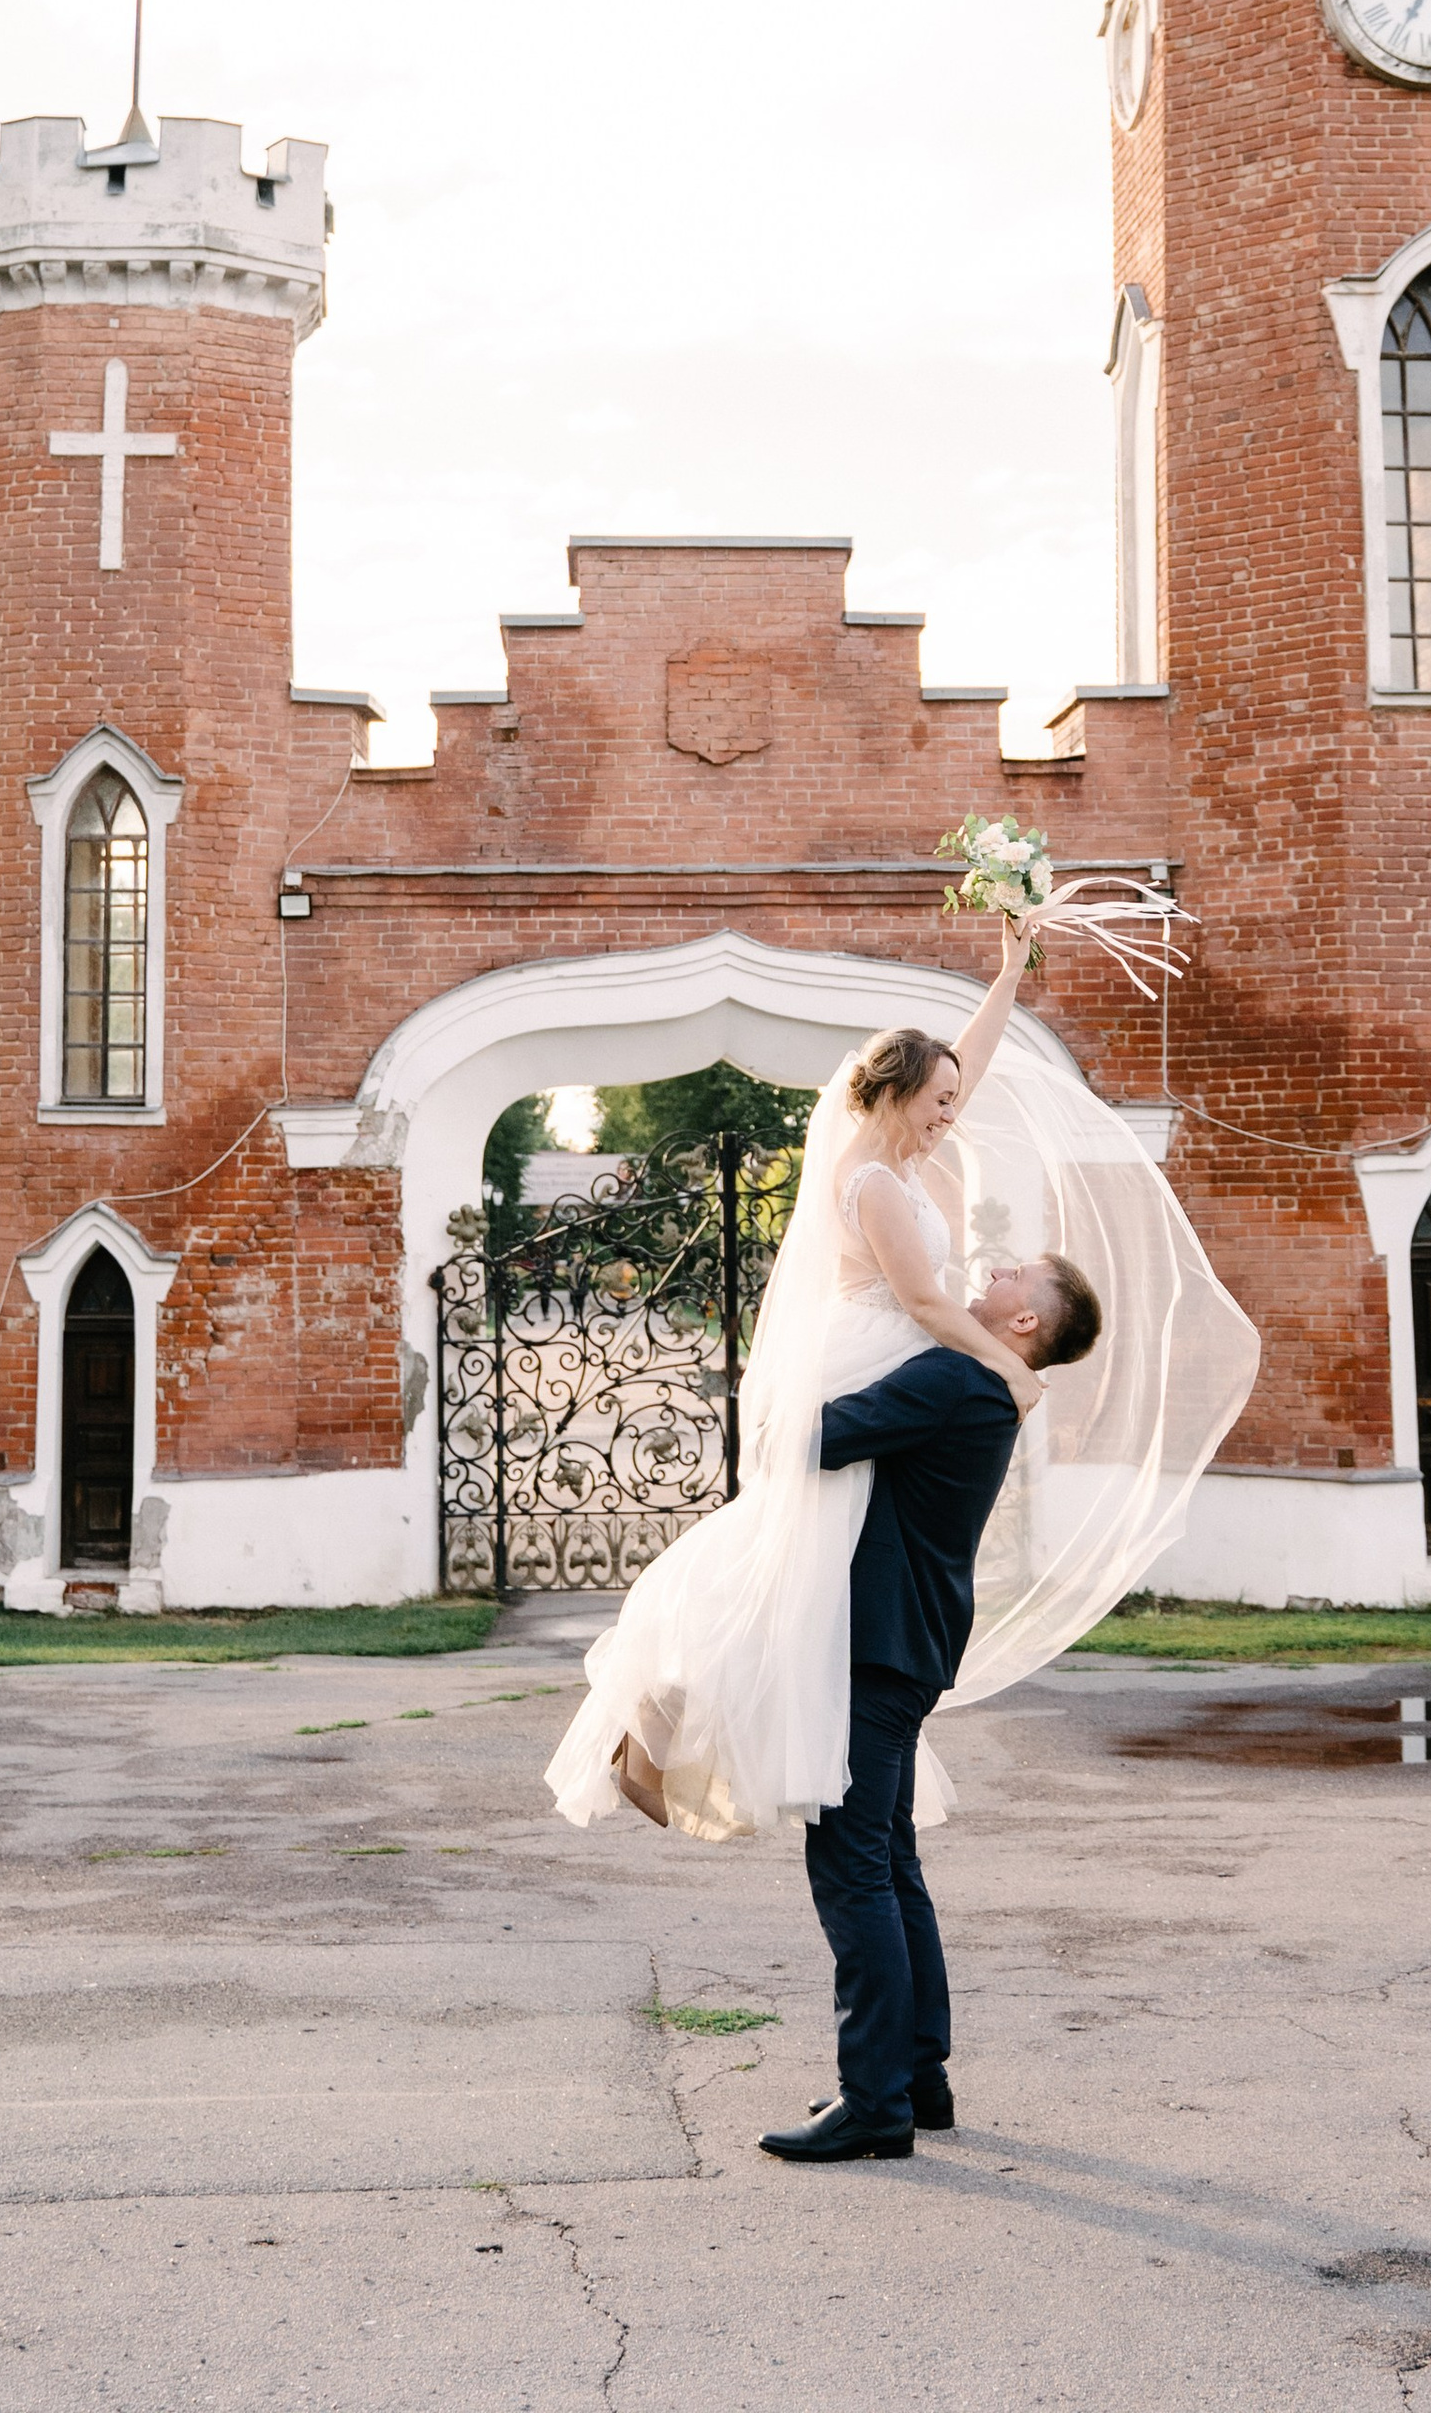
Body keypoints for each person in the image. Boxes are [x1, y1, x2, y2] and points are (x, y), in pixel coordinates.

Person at [543, 921, 1259, 1853]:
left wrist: (1007, 973)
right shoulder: (873, 1180)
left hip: (898, 1358)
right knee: (786, 1556)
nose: (953, 1111)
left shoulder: (913, 1159)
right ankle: (654, 1721)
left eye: (956, 1100)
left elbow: (974, 1061)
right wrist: (1004, 1364)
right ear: (896, 1093)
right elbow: (923, 1300)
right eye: (940, 1099)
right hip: (873, 1355)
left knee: (816, 1581)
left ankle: (684, 1739)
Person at [759, 1245, 1103, 2163]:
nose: (993, 1274)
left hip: (879, 1646)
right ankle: (918, 2080)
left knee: (851, 1864)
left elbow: (817, 1436)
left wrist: (790, 1369)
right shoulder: (982, 1385)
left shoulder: (958, 1378)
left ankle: (874, 2103)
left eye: (1013, 1276)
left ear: (1026, 1321)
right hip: (910, 1641)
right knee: (890, 1858)